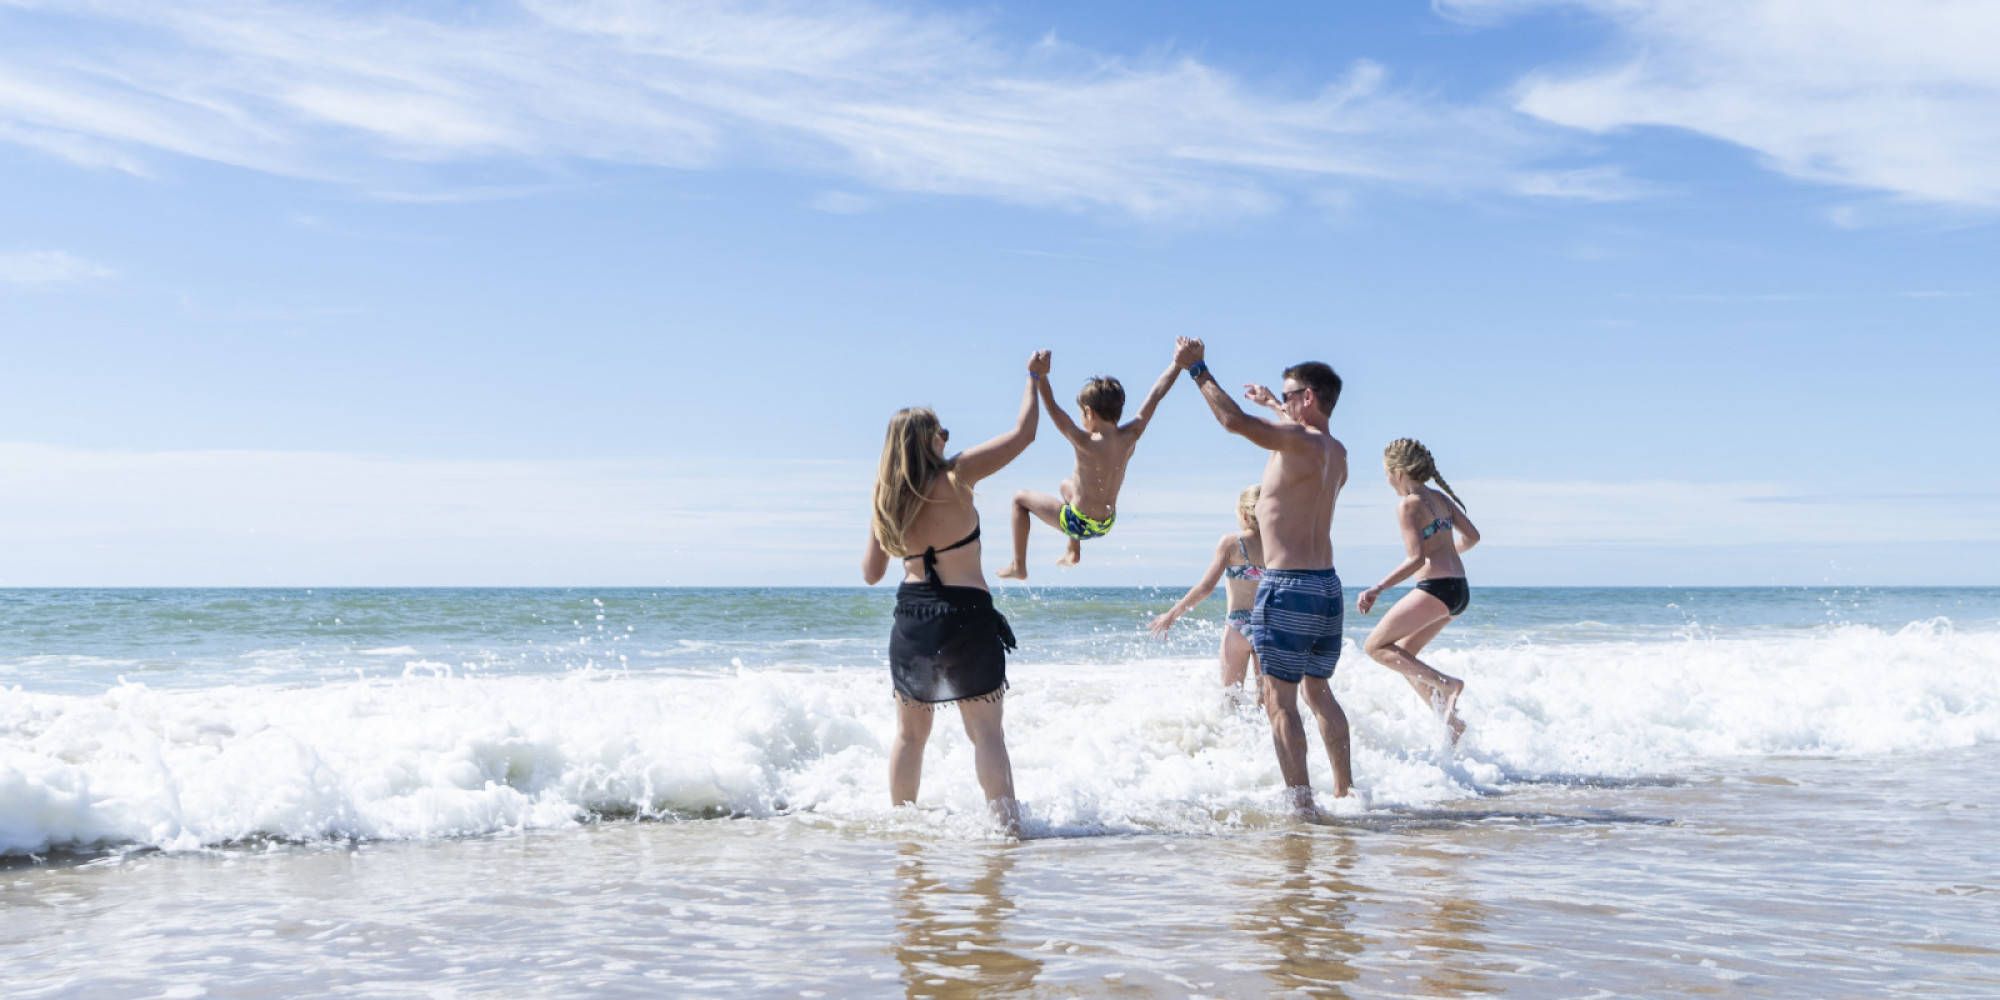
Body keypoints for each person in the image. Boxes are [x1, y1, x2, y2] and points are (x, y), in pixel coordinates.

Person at [862, 350, 1049, 833]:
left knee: (909, 734)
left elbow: (871, 573)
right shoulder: (958, 475)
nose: (948, 436)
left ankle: (903, 830)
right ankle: (1007, 830)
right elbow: (1025, 434)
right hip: (967, 616)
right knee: (986, 732)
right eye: (941, 431)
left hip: (913, 618)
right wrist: (1033, 377)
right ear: (927, 440)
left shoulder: (886, 496)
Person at [1174, 336, 1355, 811]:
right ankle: (1346, 792)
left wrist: (1198, 370)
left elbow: (1232, 421)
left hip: (1287, 586)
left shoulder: (1295, 441)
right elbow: (1299, 433)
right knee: (1319, 692)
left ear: (1308, 398)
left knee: (1280, 702)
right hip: (1327, 587)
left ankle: (1302, 808)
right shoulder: (1337, 454)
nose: (1286, 399)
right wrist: (1276, 405)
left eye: (1290, 393)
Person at [996, 352, 1181, 579]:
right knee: (1066, 485)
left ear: (1089, 413)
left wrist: (1039, 376)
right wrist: (1177, 363)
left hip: (1078, 523)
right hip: (1106, 522)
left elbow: (1053, 409)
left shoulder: (1085, 442)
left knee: (1019, 499)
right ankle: (1073, 550)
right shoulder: (1131, 435)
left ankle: (1018, 565)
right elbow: (1156, 394)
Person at [1355, 438, 1481, 742]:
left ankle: (1448, 685)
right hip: (1459, 590)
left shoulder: (1408, 504)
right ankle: (1449, 722)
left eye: (1386, 473)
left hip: (1436, 589)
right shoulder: (1440, 499)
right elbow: (1473, 537)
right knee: (1405, 654)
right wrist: (1446, 557)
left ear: (1398, 473)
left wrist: (1378, 588)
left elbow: (1415, 560)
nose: (1386, 481)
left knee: (1374, 647)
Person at [1147, 485, 1268, 695]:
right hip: (1268, 626)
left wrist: (1172, 614)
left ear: (1245, 516)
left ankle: (1229, 729)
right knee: (1269, 703)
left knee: (1230, 700)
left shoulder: (1232, 543)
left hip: (1237, 627)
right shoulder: (1277, 546)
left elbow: (1205, 588)